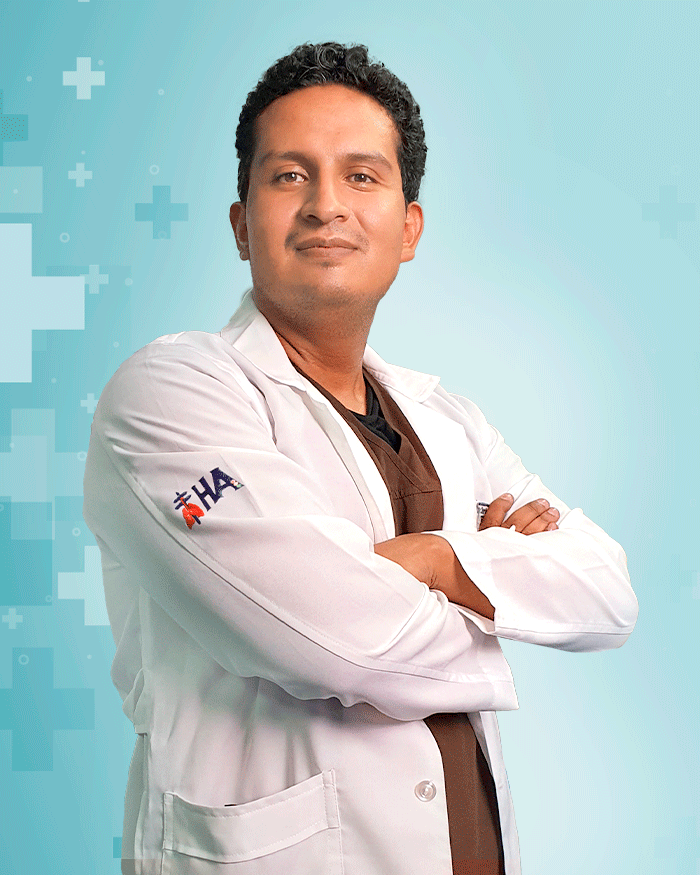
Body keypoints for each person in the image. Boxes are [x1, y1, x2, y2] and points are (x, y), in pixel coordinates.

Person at [82, 41, 638, 875]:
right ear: (241, 224)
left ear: (408, 229)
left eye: (362, 176)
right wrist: (501, 593)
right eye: (289, 175)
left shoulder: (445, 417)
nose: (325, 206)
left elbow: (606, 591)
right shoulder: (170, 397)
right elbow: (332, 640)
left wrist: (439, 559)